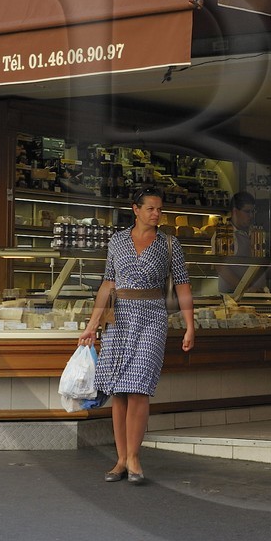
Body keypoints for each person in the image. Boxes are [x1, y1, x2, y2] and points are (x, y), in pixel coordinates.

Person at [78, 186, 195, 486]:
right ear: (136, 209)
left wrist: (190, 325)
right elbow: (107, 283)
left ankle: (134, 457)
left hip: (153, 316)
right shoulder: (117, 241)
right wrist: (91, 325)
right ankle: (119, 459)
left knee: (139, 387)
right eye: (151, 209)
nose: (156, 214)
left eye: (159, 209)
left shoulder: (169, 244)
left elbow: (182, 286)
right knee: (119, 390)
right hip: (119, 318)